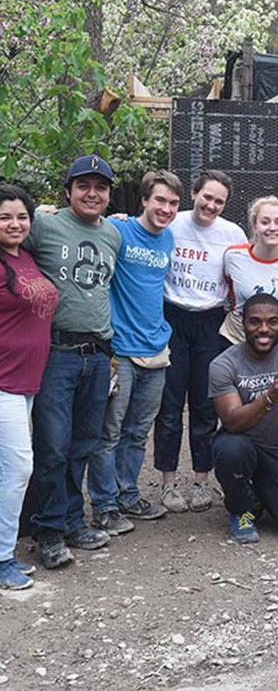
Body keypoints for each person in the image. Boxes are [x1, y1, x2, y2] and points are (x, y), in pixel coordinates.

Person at [28, 155, 121, 569]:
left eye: (100, 187)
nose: (92, 193)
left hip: (98, 356)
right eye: (83, 185)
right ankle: (45, 529)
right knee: (51, 446)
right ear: (67, 191)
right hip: (55, 354)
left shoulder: (113, 236)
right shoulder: (44, 225)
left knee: (83, 444)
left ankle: (70, 520)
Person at [87, 170, 182, 536]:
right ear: (144, 200)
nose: (166, 209)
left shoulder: (169, 238)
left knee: (138, 432)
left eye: (173, 203)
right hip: (120, 350)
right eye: (159, 200)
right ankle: (104, 504)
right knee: (109, 432)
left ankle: (127, 494)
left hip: (156, 349)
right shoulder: (118, 230)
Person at [154, 170, 246, 515]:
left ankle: (202, 481)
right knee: (169, 405)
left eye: (219, 201)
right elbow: (135, 231)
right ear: (194, 193)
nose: (211, 205)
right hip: (171, 317)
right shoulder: (170, 223)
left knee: (206, 406)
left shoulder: (232, 233)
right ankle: (168, 482)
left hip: (210, 321)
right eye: (207, 197)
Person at [209, 293, 278, 543]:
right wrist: (269, 398)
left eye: (272, 322)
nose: (264, 329)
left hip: (277, 450)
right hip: (240, 445)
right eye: (255, 322)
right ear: (243, 323)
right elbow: (232, 421)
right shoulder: (223, 364)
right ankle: (240, 510)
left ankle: (259, 496)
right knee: (231, 448)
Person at [0, 186, 59, 589]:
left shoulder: (27, 257)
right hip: (3, 381)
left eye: (22, 217)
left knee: (11, 469)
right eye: (5, 217)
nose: (14, 224)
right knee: (20, 468)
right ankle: (3, 557)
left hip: (29, 382)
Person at [219, 196, 278, 345]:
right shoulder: (233, 256)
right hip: (236, 338)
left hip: (276, 340)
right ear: (254, 226)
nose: (272, 228)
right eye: (265, 222)